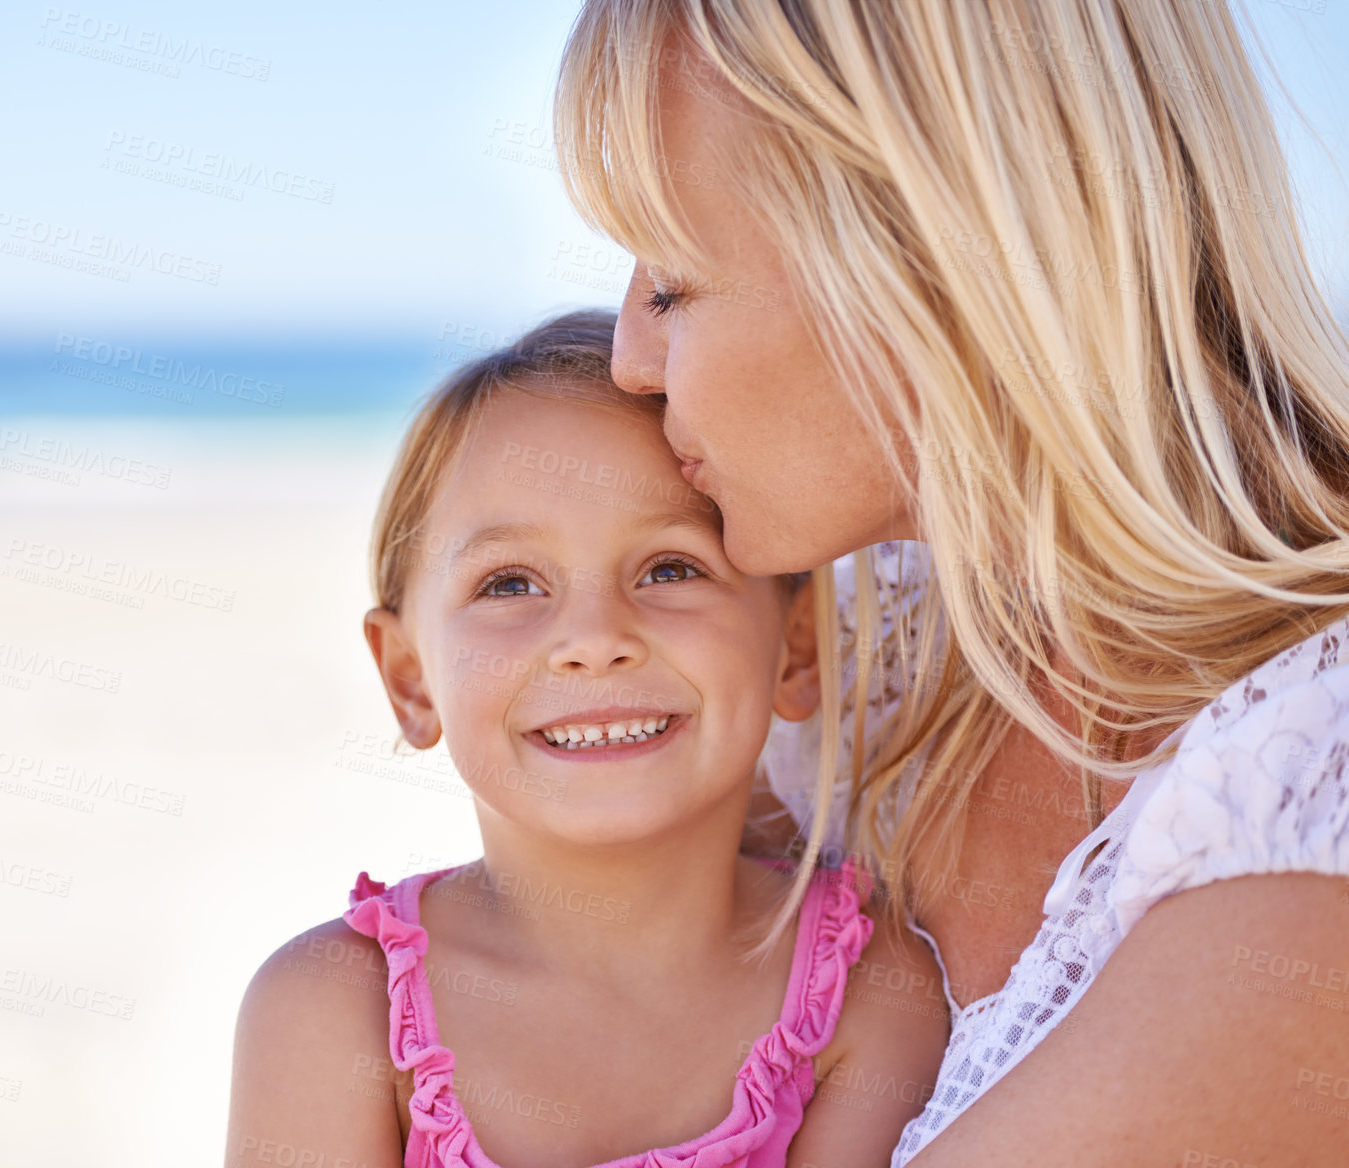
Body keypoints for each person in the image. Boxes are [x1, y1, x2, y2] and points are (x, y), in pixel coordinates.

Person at [553, 1, 1349, 1164]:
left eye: (674, 279)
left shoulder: (1310, 799)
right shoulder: (866, 661)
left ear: (929, 250)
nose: (630, 359)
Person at [225, 311, 946, 1168]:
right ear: (411, 680)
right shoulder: (332, 1014)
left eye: (670, 569)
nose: (594, 636)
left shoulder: (869, 992)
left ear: (794, 647)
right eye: (510, 583)